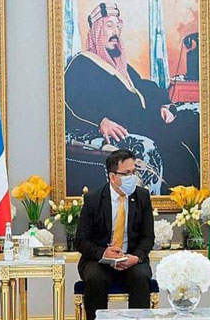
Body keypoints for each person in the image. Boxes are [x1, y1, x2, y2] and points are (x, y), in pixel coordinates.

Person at [64, 2, 200, 194]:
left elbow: (144, 88)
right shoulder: (82, 64)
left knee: (194, 118)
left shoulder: (122, 67)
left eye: (117, 26)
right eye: (109, 25)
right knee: (173, 143)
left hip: (151, 122)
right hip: (131, 130)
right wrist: (100, 121)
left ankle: (193, 198)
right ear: (96, 31)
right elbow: (72, 101)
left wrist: (163, 105)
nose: (115, 32)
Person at [75, 149, 155, 320]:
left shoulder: (142, 197)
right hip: (99, 260)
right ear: (112, 176)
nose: (132, 177)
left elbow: (148, 237)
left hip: (131, 259)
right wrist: (104, 253)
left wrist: (135, 257)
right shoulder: (93, 199)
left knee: (142, 277)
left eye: (133, 172)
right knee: (94, 279)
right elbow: (80, 241)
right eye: (126, 173)